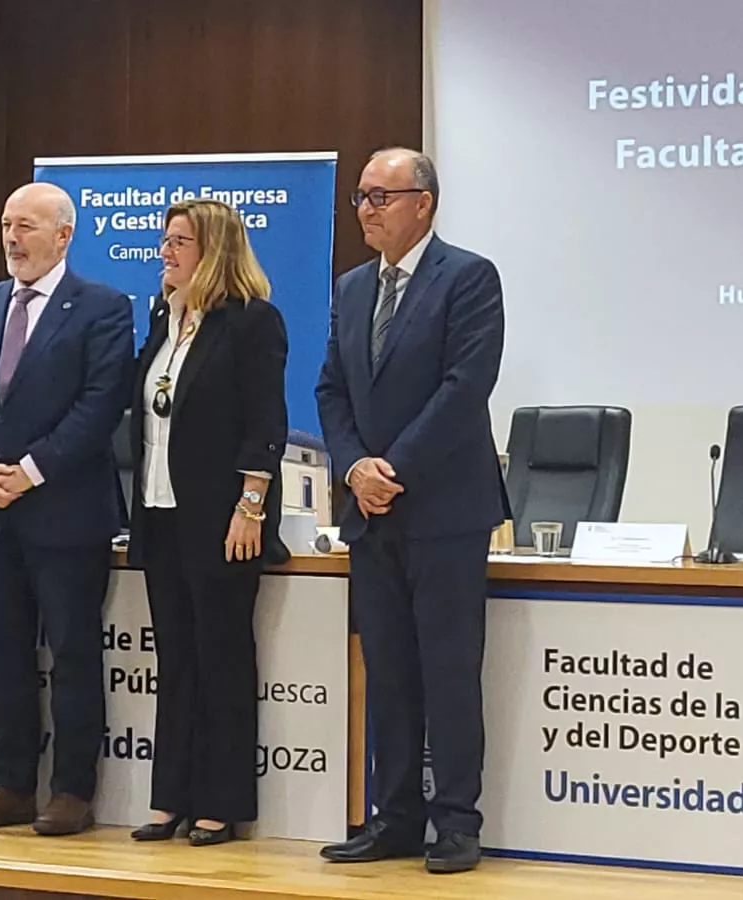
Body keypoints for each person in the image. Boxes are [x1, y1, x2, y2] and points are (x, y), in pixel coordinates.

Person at [314, 148, 506, 874]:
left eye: (379, 196)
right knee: (388, 671)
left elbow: (465, 387)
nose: (365, 209)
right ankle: (393, 816)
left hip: (444, 510)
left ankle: (456, 821)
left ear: (422, 202)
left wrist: (393, 468)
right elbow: (330, 390)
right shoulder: (353, 286)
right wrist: (355, 466)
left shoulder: (468, 277)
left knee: (449, 671)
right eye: (361, 197)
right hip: (372, 513)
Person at [0, 182, 132, 836]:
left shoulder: (102, 308)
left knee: (74, 653)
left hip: (66, 512)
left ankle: (73, 790)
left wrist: (28, 472)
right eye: (5, 223)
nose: (12, 238)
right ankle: (10, 784)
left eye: (26, 225)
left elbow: (101, 405)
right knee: (1, 650)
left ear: (63, 235)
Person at [126, 199, 289, 847]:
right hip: (160, 510)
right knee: (176, 658)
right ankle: (171, 799)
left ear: (214, 249)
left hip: (222, 517)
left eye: (179, 242)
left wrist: (251, 504)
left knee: (221, 657)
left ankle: (220, 803)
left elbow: (265, 419)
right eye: (164, 241)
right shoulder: (165, 316)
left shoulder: (251, 322)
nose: (166, 252)